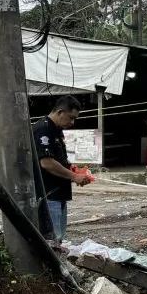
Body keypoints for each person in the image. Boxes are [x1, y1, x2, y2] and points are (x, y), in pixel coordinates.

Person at [34, 95, 92, 244]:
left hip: (59, 193)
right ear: (60, 112)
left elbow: (58, 159)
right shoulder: (43, 129)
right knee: (52, 241)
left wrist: (73, 170)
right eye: (71, 117)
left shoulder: (56, 129)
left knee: (58, 239)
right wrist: (74, 176)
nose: (72, 122)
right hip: (48, 194)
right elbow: (47, 163)